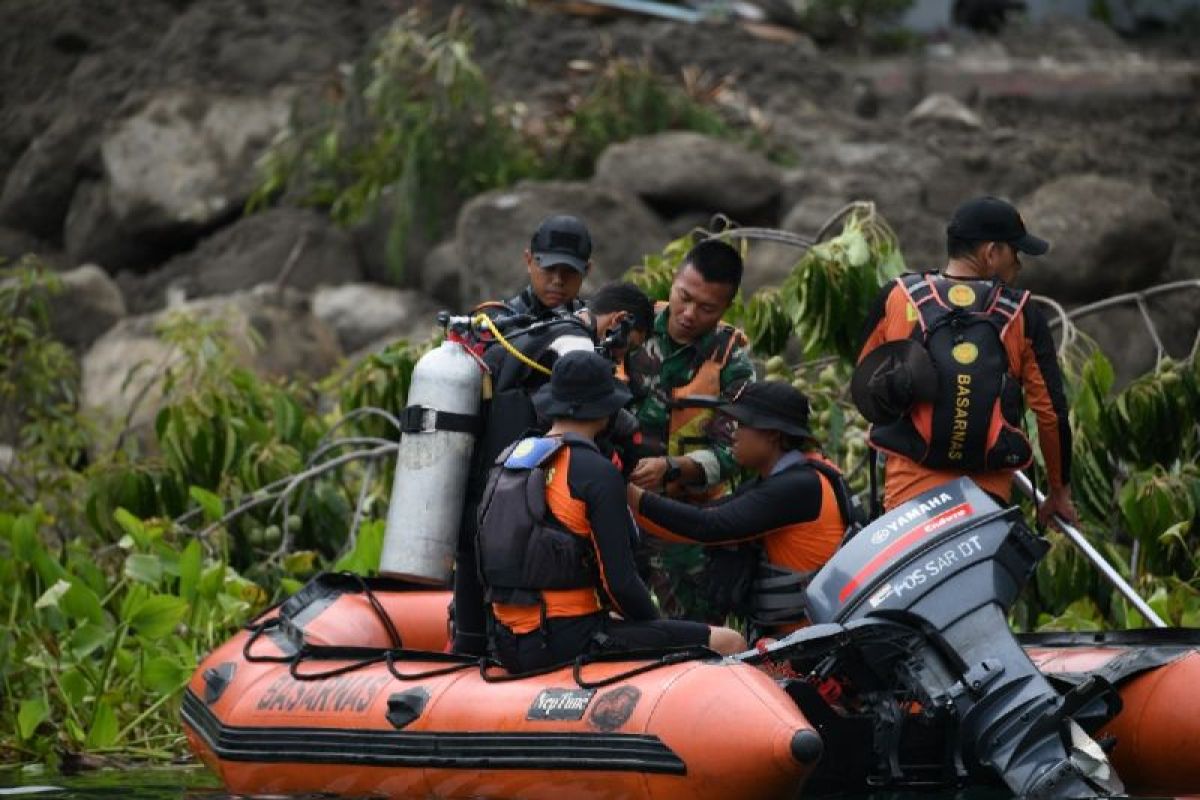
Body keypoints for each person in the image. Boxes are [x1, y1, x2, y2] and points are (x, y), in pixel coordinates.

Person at [476, 350, 747, 673]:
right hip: (564, 641)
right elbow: (620, 582)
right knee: (730, 641)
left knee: (616, 621)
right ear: (605, 411)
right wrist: (655, 630)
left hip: (508, 642)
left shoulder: (510, 458)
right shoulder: (595, 470)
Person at [452, 282, 654, 656]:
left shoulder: (536, 334)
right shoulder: (576, 345)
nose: (623, 358)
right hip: (564, 632)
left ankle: (467, 648)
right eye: (631, 346)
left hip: (507, 634)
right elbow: (620, 582)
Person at [854, 196, 1076, 527]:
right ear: (991, 253)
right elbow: (1050, 414)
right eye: (1016, 253)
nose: (1019, 264)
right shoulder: (1022, 313)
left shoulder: (898, 295)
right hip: (985, 499)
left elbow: (864, 383)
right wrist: (1058, 493)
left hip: (907, 498)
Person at [627, 382, 852, 636]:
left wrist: (631, 494)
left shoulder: (800, 486)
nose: (734, 433)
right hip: (794, 639)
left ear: (772, 434)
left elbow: (709, 526)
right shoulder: (781, 479)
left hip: (812, 646)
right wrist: (633, 499)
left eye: (742, 424)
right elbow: (707, 516)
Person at [625, 238, 755, 619]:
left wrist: (675, 467)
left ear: (726, 308)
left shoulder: (732, 361)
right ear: (674, 281)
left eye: (706, 308)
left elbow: (736, 451)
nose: (689, 313)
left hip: (686, 526)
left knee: (690, 631)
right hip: (617, 511)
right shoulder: (631, 331)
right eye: (684, 297)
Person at [495, 214, 591, 320]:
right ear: (529, 261)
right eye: (549, 268)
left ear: (586, 270)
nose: (558, 280)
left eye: (570, 270)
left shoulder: (600, 327)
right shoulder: (495, 325)